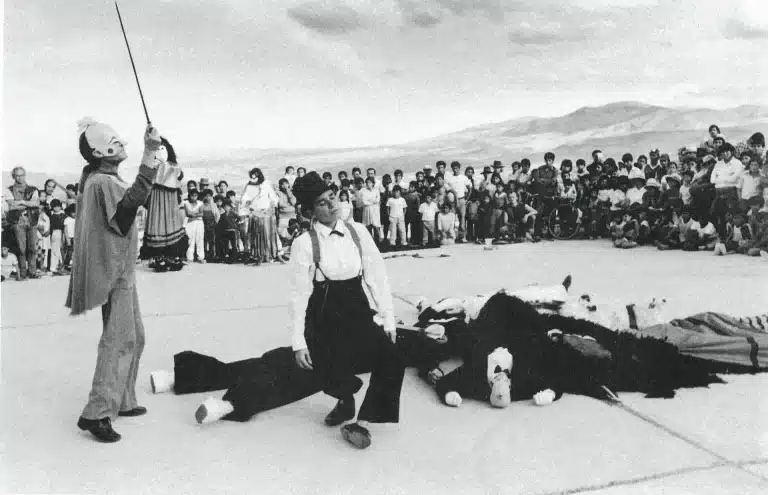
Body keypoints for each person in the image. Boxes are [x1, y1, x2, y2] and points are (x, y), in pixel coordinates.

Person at [289, 171, 405, 450]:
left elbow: (377, 277)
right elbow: (299, 295)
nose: (331, 205)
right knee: (326, 367)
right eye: (322, 203)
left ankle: (363, 422)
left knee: (393, 357)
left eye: (332, 198)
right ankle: (344, 399)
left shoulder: (358, 232)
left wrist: (388, 319)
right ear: (309, 212)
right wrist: (298, 341)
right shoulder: (304, 244)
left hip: (355, 306)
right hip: (322, 313)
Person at [68, 118, 162, 443]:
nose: (120, 141)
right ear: (97, 151)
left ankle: (122, 399)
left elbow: (131, 200)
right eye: (112, 139)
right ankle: (97, 412)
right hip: (114, 272)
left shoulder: (102, 178)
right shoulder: (102, 182)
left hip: (122, 270)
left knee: (134, 336)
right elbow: (127, 210)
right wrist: (150, 153)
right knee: (119, 339)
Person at [140, 138, 187, 270]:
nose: (160, 152)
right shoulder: (152, 167)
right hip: (157, 199)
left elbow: (179, 176)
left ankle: (171, 256)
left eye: (162, 149)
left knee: (170, 225)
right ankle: (158, 257)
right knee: (157, 224)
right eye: (157, 149)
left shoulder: (173, 166)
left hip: (169, 200)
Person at [3, 166, 41, 280]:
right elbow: (11, 206)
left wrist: (22, 202)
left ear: (25, 175)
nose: (20, 177)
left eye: (22, 175)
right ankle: (23, 272)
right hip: (17, 222)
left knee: (33, 248)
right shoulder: (9, 189)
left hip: (31, 221)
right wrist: (29, 203)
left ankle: (33, 271)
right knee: (21, 248)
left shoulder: (33, 189)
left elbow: (36, 203)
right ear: (13, 176)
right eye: (17, 175)